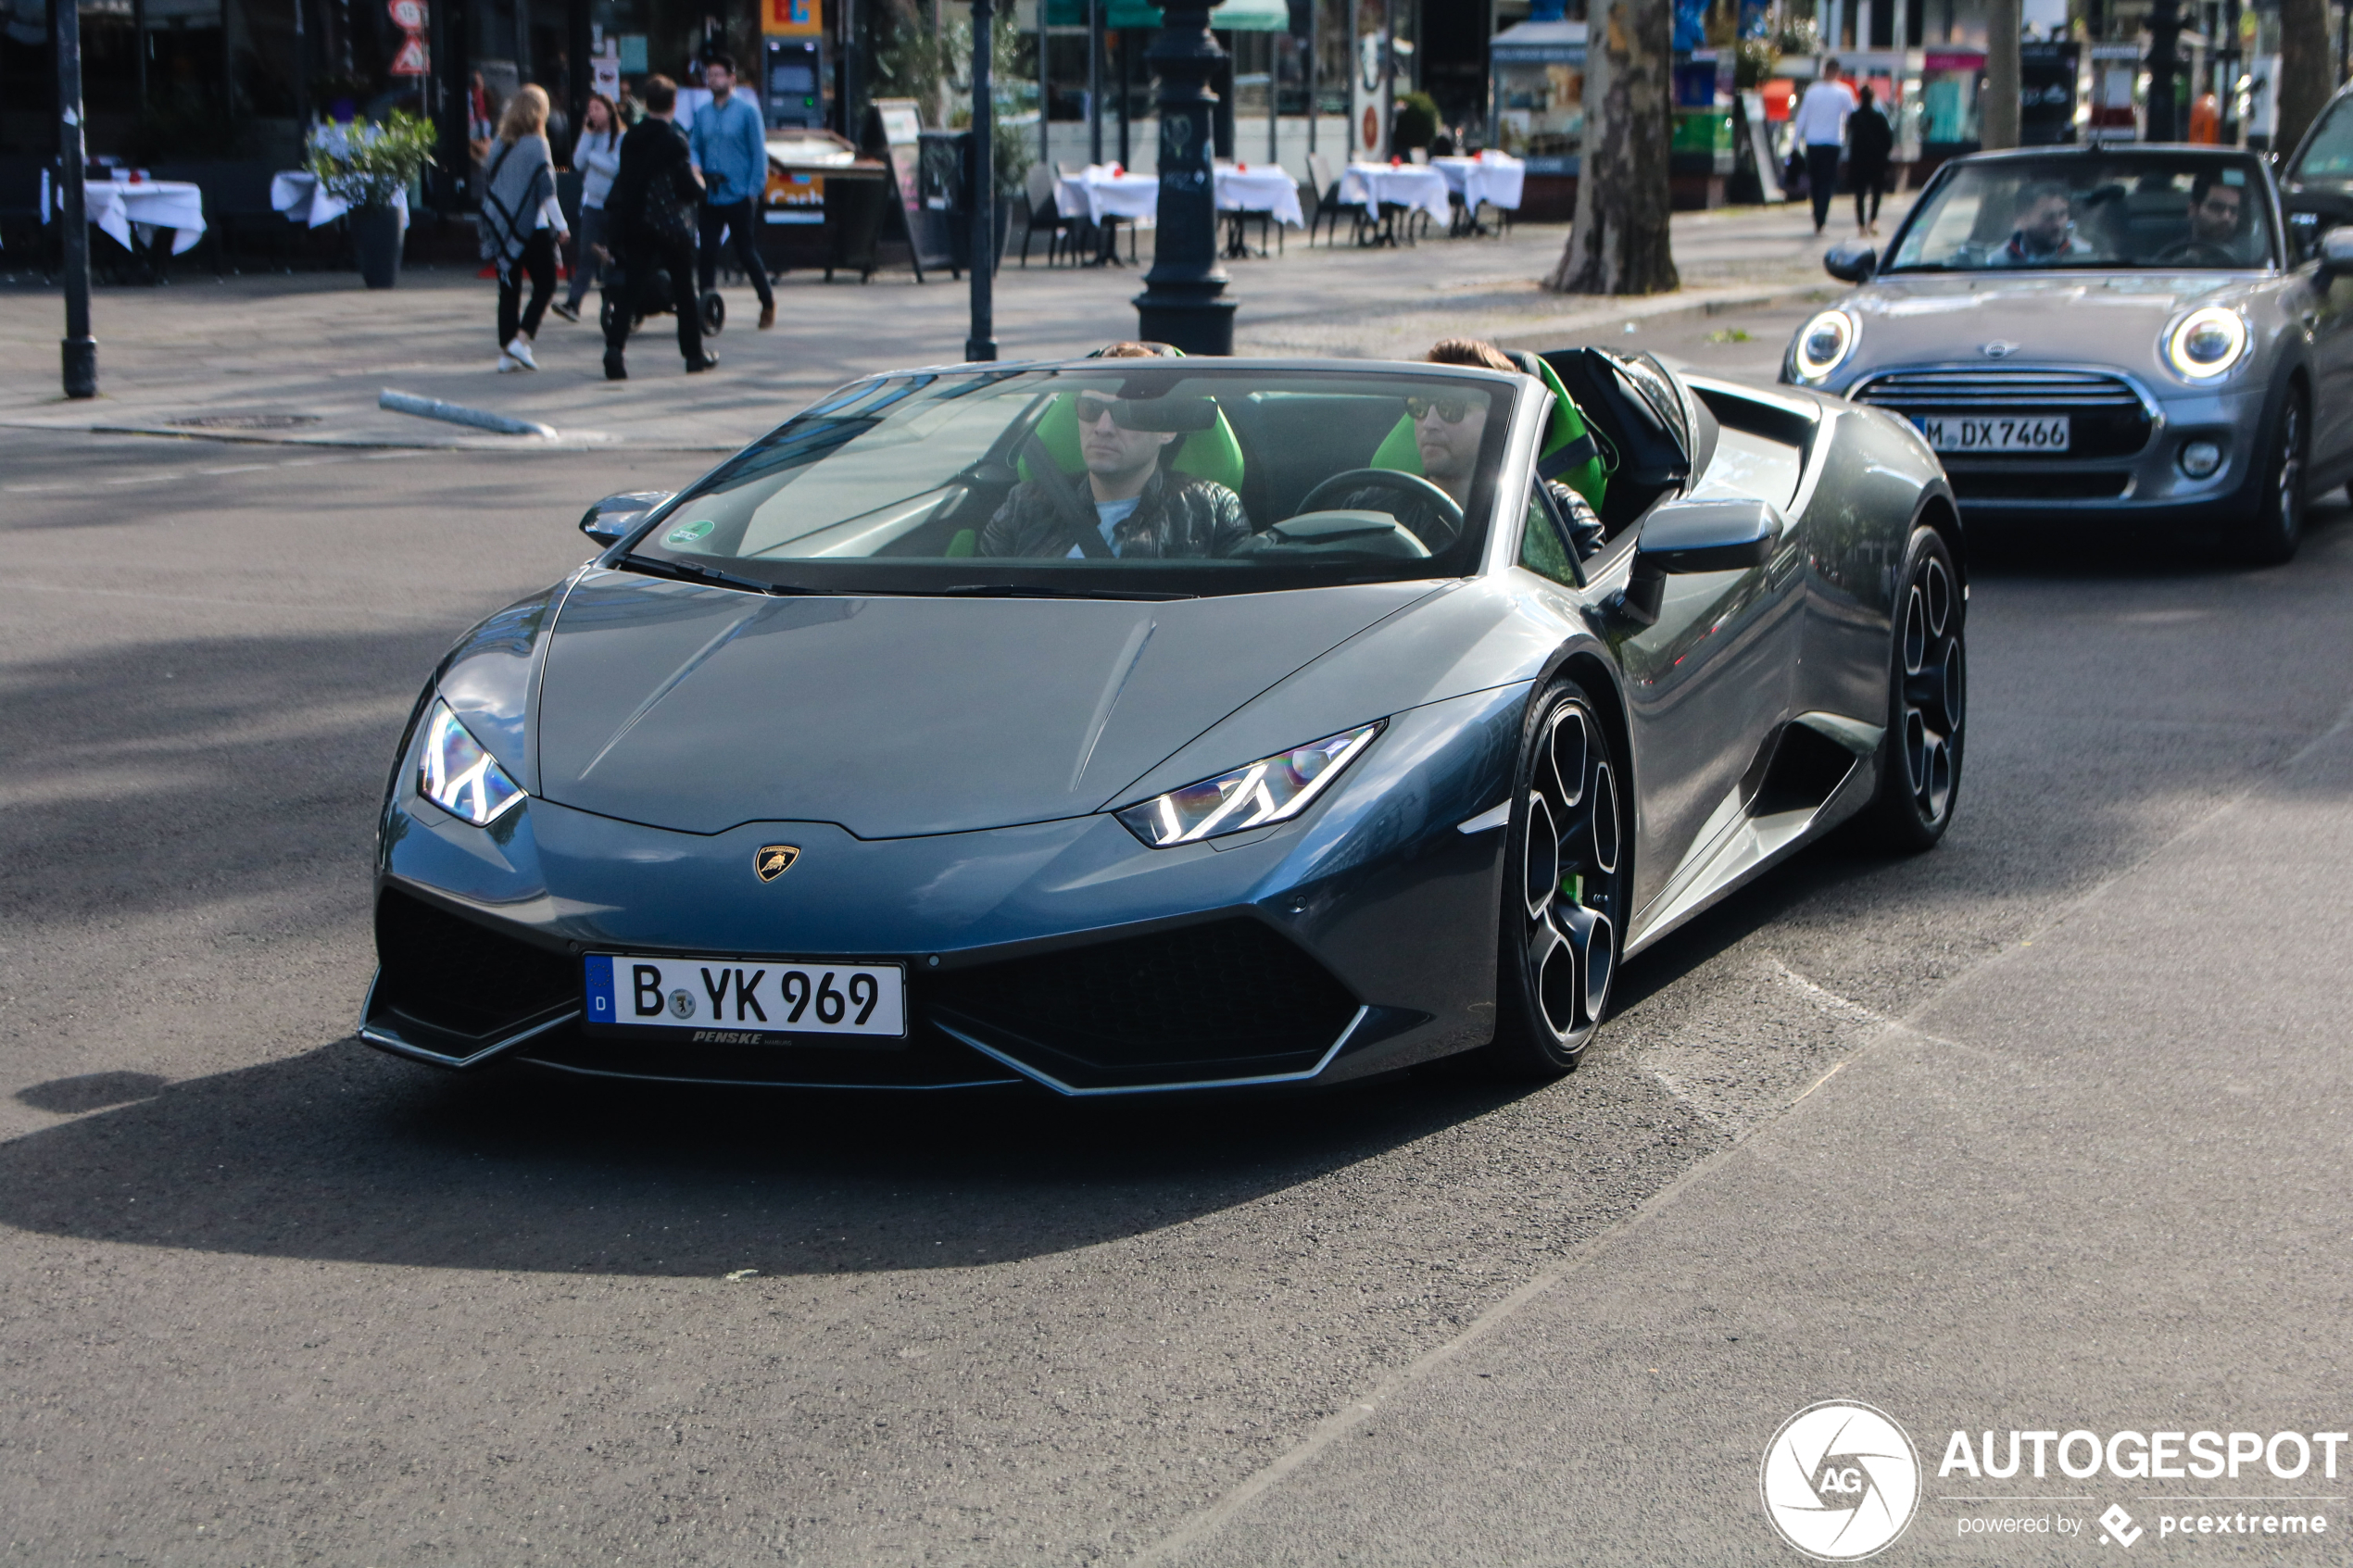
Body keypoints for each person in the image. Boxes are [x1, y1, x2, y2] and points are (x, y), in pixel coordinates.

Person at [977, 343, 1252, 559]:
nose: (1103, 427)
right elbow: (980, 604)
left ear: (1167, 431)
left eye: (1127, 413)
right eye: (1090, 409)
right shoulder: (1023, 506)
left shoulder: (1213, 511)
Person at [1331, 339, 1603, 557]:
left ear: (1503, 419)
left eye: (1452, 407)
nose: (1430, 423)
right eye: (1420, 406)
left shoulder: (1560, 517)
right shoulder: (1373, 509)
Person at [601, 73, 715, 380]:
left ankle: (614, 349)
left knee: (630, 288)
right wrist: (701, 183)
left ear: (647, 102)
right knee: (684, 289)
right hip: (670, 227)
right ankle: (693, 355)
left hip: (636, 223)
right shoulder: (674, 140)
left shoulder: (630, 139)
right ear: (673, 104)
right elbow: (685, 185)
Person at [480, 84, 569, 372]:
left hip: (501, 225)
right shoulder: (537, 145)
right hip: (533, 227)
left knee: (508, 290)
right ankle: (521, 339)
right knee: (546, 285)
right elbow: (547, 190)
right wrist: (562, 226)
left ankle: (507, 354)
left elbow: (492, 179)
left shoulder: (499, 143)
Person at [688, 53, 777, 331]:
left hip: (739, 192)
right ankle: (707, 307)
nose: (713, 80)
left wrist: (753, 190)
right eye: (710, 75)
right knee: (707, 251)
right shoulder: (702, 113)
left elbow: (758, 153)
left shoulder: (747, 112)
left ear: (731, 79)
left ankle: (767, 301)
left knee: (745, 251)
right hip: (710, 194)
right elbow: (694, 145)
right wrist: (695, 166)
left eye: (718, 75)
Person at [553, 92, 622, 323]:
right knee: (587, 254)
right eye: (590, 109)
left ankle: (614, 304)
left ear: (610, 112)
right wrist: (586, 134)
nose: (592, 113)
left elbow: (615, 167)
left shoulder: (621, 137)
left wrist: (593, 158)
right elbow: (578, 162)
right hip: (592, 204)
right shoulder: (591, 136)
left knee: (612, 256)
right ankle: (573, 303)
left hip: (613, 206)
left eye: (597, 109)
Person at [1792, 59, 1857, 237]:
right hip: (1833, 142)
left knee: (1816, 180)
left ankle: (1817, 213)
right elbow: (1853, 116)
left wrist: (1795, 142)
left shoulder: (1813, 92)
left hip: (1813, 142)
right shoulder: (1844, 92)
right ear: (1838, 72)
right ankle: (1822, 216)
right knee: (1827, 181)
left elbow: (1802, 117)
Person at [1990, 181, 2093, 266]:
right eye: (2048, 217)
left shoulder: (2085, 254)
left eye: (2062, 214)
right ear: (2023, 220)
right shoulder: (1998, 261)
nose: (2058, 225)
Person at [2163, 170, 2248, 263]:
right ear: (2193, 210)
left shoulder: (2252, 261)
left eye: (2233, 211)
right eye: (2217, 207)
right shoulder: (2169, 257)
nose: (2226, 217)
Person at [1847, 83, 1894, 238]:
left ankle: (1861, 225)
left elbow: (1851, 139)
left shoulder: (1854, 117)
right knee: (1876, 192)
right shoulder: (1879, 118)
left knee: (1859, 194)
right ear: (1873, 98)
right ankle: (1873, 220)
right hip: (1877, 160)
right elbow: (1888, 140)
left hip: (1859, 160)